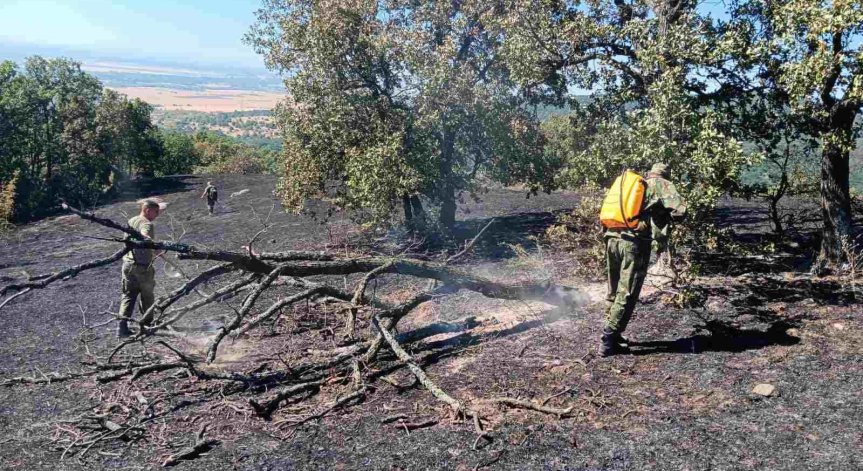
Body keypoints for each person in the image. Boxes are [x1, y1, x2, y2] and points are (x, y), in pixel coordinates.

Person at [601, 163, 686, 357]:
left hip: (612, 238)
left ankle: (614, 332)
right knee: (628, 291)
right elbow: (680, 210)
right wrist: (664, 219)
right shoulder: (661, 184)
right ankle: (608, 337)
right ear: (665, 174)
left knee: (613, 289)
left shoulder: (636, 185)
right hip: (634, 243)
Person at [117, 199, 162, 338]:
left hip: (127, 265)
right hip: (142, 267)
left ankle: (121, 329)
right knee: (147, 296)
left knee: (128, 296)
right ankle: (147, 326)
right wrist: (153, 243)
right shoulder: (146, 223)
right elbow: (145, 236)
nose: (157, 215)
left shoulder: (132, 220)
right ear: (147, 210)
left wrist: (154, 250)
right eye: (156, 212)